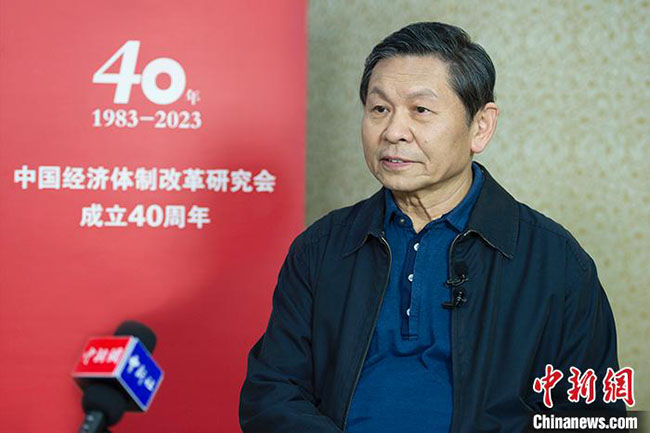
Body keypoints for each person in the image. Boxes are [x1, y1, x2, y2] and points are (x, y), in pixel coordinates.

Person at [239, 22, 626, 432]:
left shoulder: (555, 262)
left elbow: (593, 417)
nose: (393, 132)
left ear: (480, 126)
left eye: (420, 110)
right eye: (379, 109)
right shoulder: (322, 247)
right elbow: (272, 393)